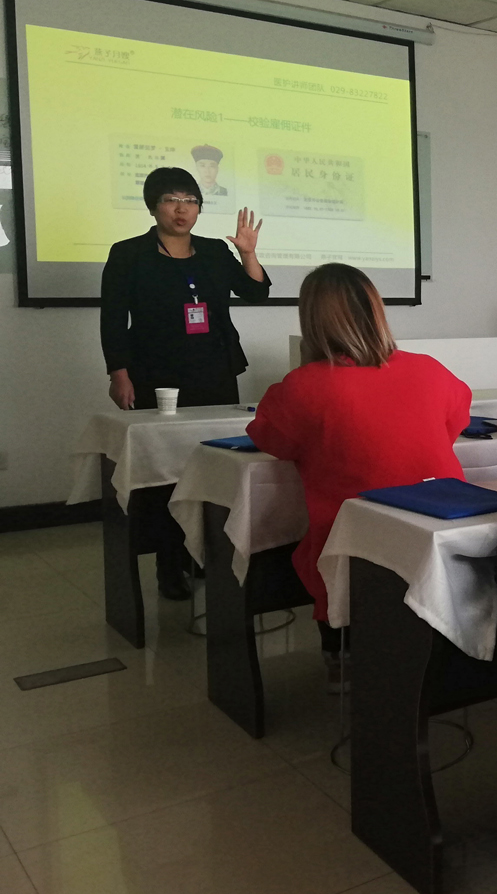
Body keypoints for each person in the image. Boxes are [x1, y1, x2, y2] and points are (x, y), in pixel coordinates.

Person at [247, 264, 470, 691]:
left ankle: (341, 657)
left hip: (358, 543)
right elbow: (455, 421)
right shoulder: (430, 369)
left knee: (314, 548)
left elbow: (269, 437)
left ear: (311, 322)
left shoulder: (304, 386)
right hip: (437, 534)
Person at [100, 166, 269, 600]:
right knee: (166, 471)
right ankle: (168, 562)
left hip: (214, 372)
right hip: (156, 375)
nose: (182, 209)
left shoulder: (214, 251)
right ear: (153, 206)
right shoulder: (129, 253)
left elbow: (256, 292)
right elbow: (113, 319)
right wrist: (119, 373)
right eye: (172, 200)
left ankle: (204, 555)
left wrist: (248, 253)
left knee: (217, 463)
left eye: (191, 201)